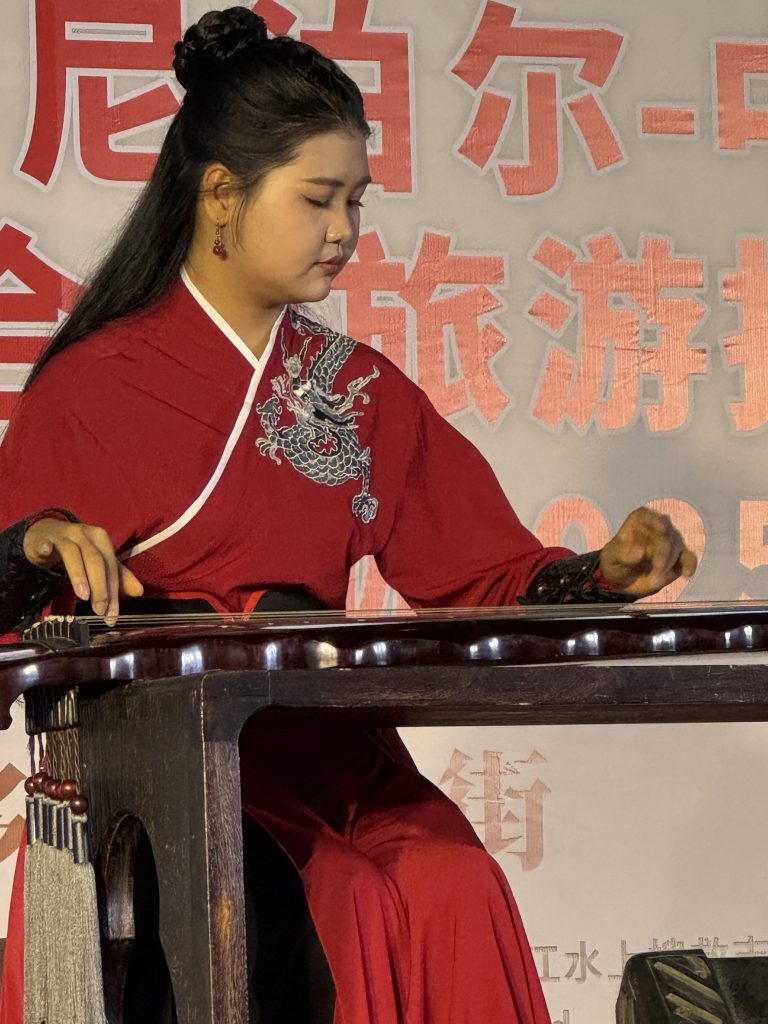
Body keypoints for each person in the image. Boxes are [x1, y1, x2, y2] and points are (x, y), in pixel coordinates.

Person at [0, 8, 697, 1024]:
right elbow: (18, 588)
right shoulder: (92, 385)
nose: (345, 232)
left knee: (454, 881)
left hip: (320, 741)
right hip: (169, 762)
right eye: (318, 199)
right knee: (347, 898)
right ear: (221, 196)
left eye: (356, 202)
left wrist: (601, 575)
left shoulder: (355, 390)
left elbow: (479, 572)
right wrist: (34, 547)